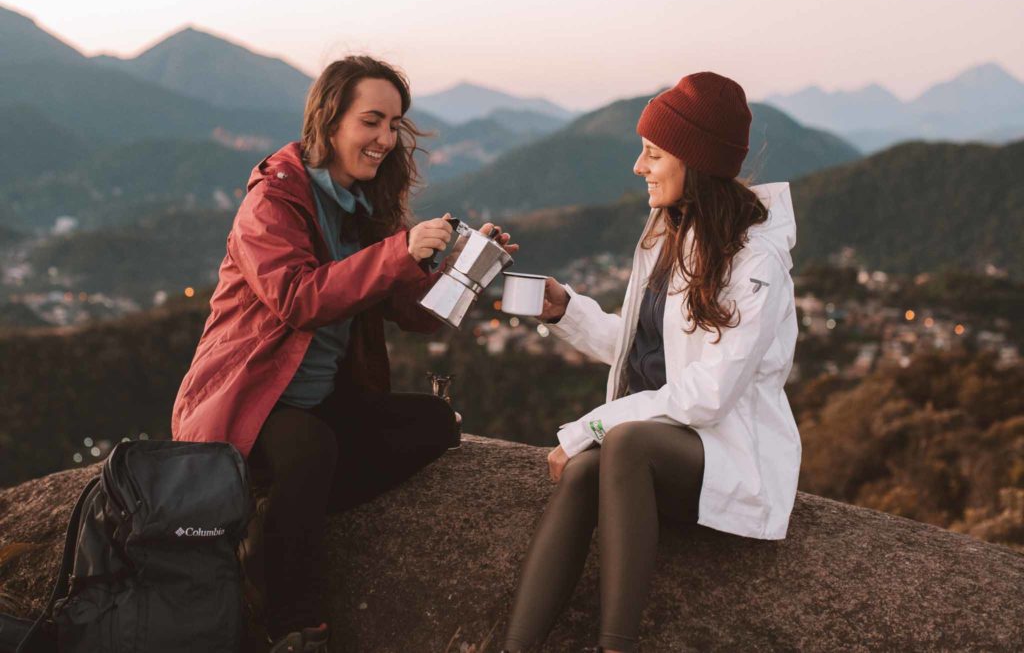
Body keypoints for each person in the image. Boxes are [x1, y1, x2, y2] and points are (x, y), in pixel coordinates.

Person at [170, 55, 516, 652]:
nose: (385, 139)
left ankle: (281, 517)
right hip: (256, 403)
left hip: (323, 400)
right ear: (330, 121)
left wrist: (466, 271)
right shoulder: (272, 204)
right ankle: (291, 622)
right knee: (311, 449)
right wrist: (398, 252)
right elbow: (298, 299)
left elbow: (415, 315)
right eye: (372, 122)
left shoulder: (364, 205)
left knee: (436, 425)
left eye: (394, 125)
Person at [501, 72, 800, 653]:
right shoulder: (668, 236)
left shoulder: (755, 261)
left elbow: (708, 393)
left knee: (622, 445)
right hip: (660, 451)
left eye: (653, 152)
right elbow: (643, 348)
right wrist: (564, 312)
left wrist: (591, 427)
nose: (639, 166)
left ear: (696, 159)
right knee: (591, 467)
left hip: (723, 455)